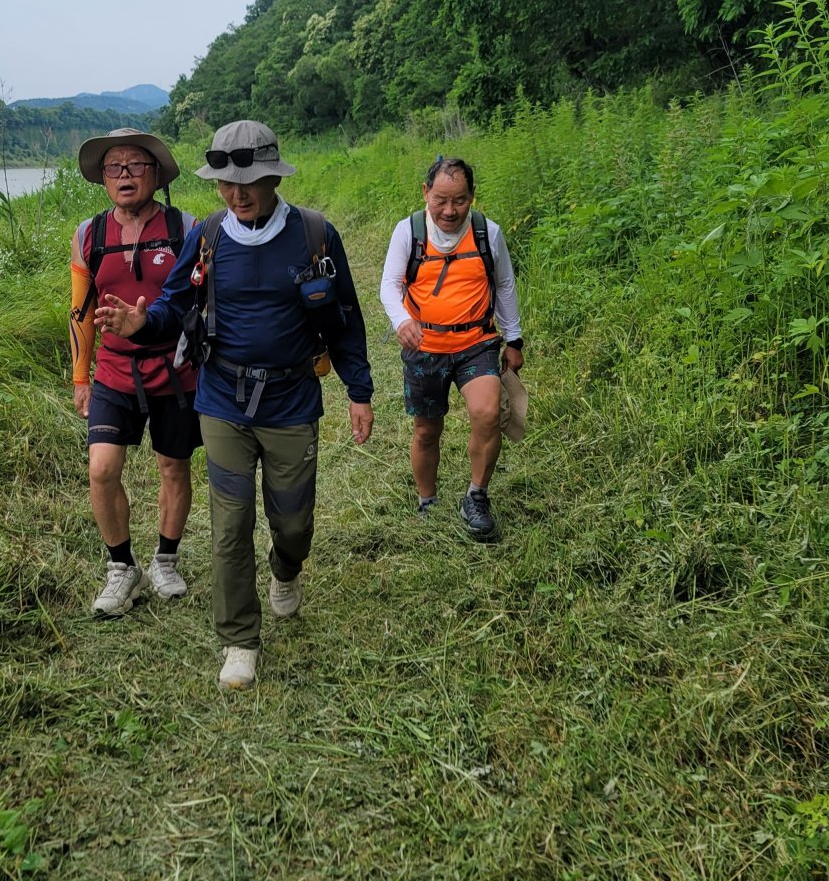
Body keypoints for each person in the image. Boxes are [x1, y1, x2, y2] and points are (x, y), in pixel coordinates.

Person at [96, 120, 374, 690]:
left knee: (292, 521)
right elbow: (174, 304)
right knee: (230, 525)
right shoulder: (208, 237)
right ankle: (239, 640)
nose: (237, 193)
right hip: (221, 397)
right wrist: (142, 321)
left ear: (274, 175)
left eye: (250, 181)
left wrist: (359, 389)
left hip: (293, 397)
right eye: (226, 182)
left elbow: (345, 317)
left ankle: (285, 568)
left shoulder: (314, 235)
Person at [70, 128, 203, 617]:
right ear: (103, 179)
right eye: (113, 168)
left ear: (156, 173)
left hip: (176, 371)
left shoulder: (186, 228)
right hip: (113, 372)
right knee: (102, 468)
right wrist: (81, 376)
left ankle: (166, 558)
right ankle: (121, 567)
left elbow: (201, 301)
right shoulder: (89, 235)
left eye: (134, 166)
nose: (124, 176)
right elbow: (80, 311)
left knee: (174, 466)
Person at [379, 157, 524, 538]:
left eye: (459, 200)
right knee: (427, 430)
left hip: (476, 343)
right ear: (426, 193)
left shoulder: (487, 234)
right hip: (425, 346)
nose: (449, 210)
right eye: (440, 199)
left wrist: (514, 338)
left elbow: (505, 285)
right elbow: (390, 285)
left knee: (487, 413)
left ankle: (477, 496)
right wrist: (402, 320)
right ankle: (428, 500)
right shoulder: (408, 232)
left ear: (472, 197)